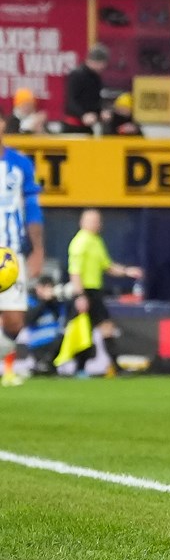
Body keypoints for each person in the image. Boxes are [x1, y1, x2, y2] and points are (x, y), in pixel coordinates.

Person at [66, 209, 142, 376]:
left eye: (98, 221)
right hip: (84, 292)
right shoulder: (80, 242)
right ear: (82, 222)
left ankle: (114, 366)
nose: (97, 224)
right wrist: (80, 296)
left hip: (95, 291)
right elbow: (75, 272)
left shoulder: (96, 241)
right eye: (93, 221)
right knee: (81, 332)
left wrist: (127, 271)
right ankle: (68, 367)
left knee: (105, 328)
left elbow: (107, 266)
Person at [0, 116, 43, 386]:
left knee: (15, 321)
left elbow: (34, 211)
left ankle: (8, 366)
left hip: (10, 253)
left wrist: (38, 250)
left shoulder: (20, 164)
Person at [63, 43, 107, 133]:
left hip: (88, 125)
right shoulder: (77, 75)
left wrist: (100, 112)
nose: (102, 67)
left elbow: (95, 100)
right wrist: (83, 115)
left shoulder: (96, 77)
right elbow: (71, 101)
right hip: (73, 125)